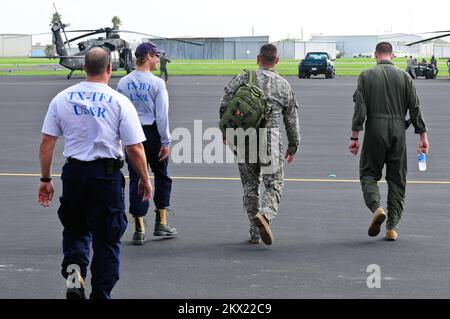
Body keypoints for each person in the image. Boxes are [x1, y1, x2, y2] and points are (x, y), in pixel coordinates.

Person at [37, 47, 152, 299]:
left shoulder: (62, 98)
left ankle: (75, 269)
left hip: (74, 174)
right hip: (106, 176)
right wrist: (144, 179)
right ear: (109, 69)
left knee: (76, 228)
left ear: (84, 68)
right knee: (107, 238)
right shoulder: (120, 102)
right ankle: (100, 292)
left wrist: (45, 179)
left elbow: (47, 141)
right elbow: (134, 148)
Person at [219, 43, 300, 245]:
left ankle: (255, 232)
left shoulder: (244, 78)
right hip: (270, 139)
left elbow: (225, 103)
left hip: (244, 136)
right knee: (275, 183)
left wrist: (226, 130)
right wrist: (293, 146)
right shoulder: (283, 85)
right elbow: (291, 120)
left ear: (258, 58)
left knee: (249, 186)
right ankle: (265, 215)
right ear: (277, 61)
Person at [348, 42, 429, 241]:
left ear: (376, 55)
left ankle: (377, 207)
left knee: (368, 173)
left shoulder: (366, 76)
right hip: (398, 130)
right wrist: (423, 136)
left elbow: (360, 109)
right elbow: (415, 108)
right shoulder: (405, 77)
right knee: (397, 179)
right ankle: (392, 226)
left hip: (375, 128)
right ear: (392, 55)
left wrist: (354, 137)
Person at [117, 42, 176, 246]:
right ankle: (161, 222)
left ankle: (139, 227)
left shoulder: (123, 83)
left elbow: (120, 114)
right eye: (156, 55)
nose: (159, 59)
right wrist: (165, 141)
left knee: (136, 178)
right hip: (152, 133)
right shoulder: (158, 83)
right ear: (149, 56)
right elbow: (162, 116)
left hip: (132, 134)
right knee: (161, 176)